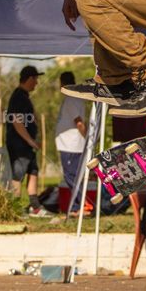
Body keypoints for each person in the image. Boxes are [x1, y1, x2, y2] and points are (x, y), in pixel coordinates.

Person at [6, 65, 47, 216]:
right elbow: (17, 121)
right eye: (35, 79)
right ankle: (14, 208)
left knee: (33, 171)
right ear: (29, 79)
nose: (36, 83)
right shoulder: (18, 96)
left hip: (27, 145)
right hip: (19, 145)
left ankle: (35, 206)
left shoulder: (24, 97)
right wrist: (30, 141)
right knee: (18, 175)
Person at [55, 71, 88, 209]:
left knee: (71, 176)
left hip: (71, 145)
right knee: (73, 175)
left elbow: (79, 122)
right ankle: (78, 204)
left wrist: (87, 140)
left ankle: (81, 204)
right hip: (70, 145)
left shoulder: (71, 99)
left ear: (62, 84)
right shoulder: (75, 98)